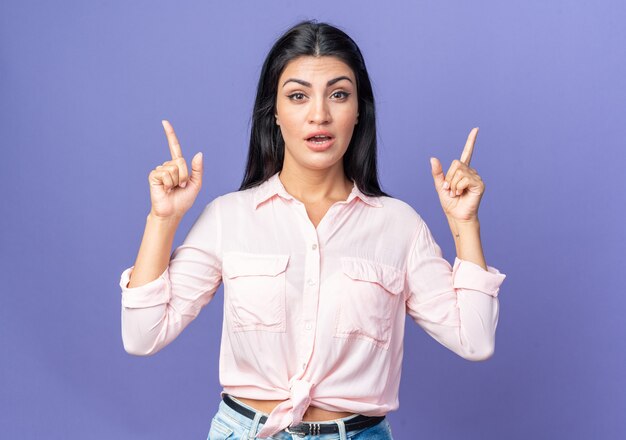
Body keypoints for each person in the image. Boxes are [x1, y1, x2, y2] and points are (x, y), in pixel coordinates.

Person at [119, 19, 507, 440]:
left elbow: (475, 339)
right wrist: (163, 220)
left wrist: (465, 224)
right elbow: (142, 336)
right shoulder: (228, 218)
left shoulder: (399, 226)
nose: (319, 114)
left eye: (338, 94)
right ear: (275, 113)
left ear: (359, 112)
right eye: (298, 96)